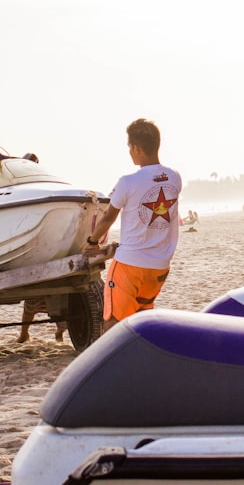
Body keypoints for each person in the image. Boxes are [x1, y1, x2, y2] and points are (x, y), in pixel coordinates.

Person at [83, 119, 182, 333]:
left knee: (113, 322)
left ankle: (115, 366)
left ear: (136, 148)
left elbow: (108, 217)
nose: (129, 152)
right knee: (141, 320)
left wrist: (92, 242)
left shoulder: (127, 182)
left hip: (130, 265)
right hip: (159, 266)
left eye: (129, 147)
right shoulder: (175, 178)